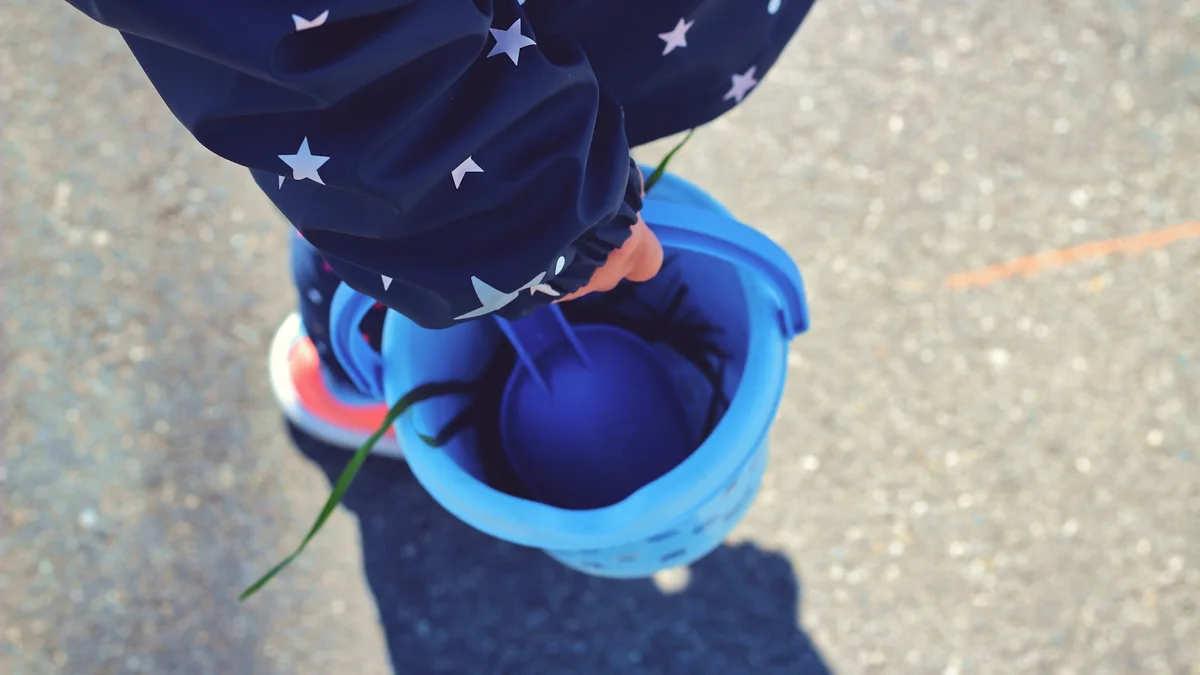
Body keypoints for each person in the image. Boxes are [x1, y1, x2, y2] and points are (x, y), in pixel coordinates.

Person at [66, 0, 816, 453]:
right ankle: (349, 373)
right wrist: (537, 210)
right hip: (449, 136)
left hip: (594, 53)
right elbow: (317, 33)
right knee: (374, 234)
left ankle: (357, 361)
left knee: (549, 118)